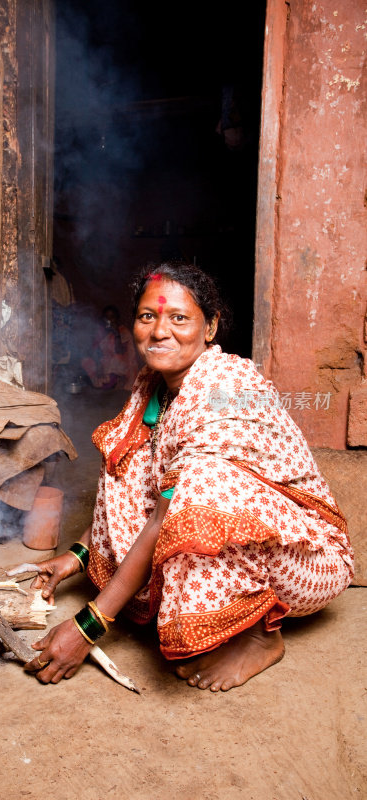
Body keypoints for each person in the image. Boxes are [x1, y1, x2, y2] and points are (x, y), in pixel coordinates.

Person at [24, 261, 354, 691]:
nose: (160, 331)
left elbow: (168, 513)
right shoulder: (154, 385)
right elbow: (131, 488)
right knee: (125, 458)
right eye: (148, 316)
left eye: (179, 317)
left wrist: (89, 625)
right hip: (254, 545)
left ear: (211, 327)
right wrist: (76, 557)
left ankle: (260, 637)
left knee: (200, 481)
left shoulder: (227, 388)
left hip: (306, 559)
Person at [81, 305, 138, 390]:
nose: (109, 320)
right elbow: (95, 351)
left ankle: (115, 381)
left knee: (114, 359)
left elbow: (120, 351)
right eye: (106, 317)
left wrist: (116, 333)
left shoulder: (123, 331)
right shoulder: (101, 332)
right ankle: (102, 381)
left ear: (117, 318)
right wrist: (98, 365)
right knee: (85, 360)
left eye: (112, 317)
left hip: (122, 362)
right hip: (104, 362)